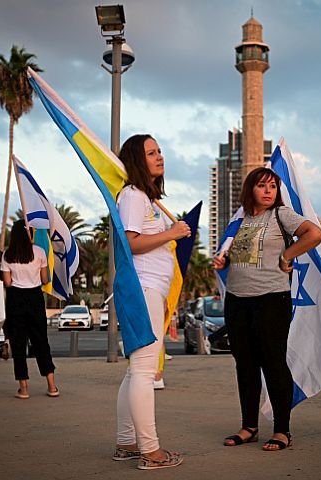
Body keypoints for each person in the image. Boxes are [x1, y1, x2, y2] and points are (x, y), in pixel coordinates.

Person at [213, 167, 321, 451]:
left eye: (272, 187)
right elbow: (232, 254)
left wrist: (288, 254)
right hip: (237, 299)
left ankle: (282, 430)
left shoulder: (281, 215)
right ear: (250, 189)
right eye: (262, 186)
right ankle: (249, 426)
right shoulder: (239, 220)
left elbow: (315, 234)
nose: (267, 191)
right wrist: (223, 262)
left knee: (273, 363)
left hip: (271, 298)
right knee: (245, 365)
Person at [114, 134, 190, 470]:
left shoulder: (145, 198)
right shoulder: (133, 196)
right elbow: (130, 242)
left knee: (135, 373)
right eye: (151, 152)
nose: (160, 156)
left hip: (149, 291)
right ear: (136, 159)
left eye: (159, 150)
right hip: (143, 289)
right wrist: (171, 234)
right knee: (144, 373)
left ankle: (128, 442)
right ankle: (151, 452)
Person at [1, 220, 58, 399]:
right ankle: (52, 385)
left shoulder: (7, 255)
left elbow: (7, 282)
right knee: (41, 341)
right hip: (34, 297)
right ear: (28, 234)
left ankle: (24, 388)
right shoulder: (39, 252)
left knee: (18, 343)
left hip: (15, 299)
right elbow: (46, 279)